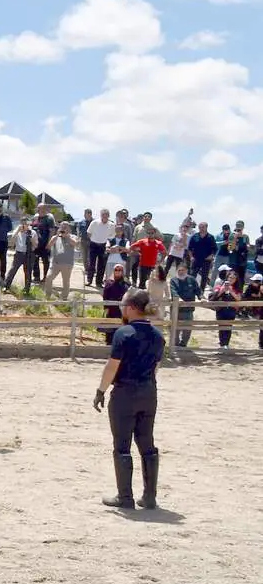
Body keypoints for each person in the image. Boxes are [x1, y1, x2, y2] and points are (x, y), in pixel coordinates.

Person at [93, 288, 164, 511]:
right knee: (147, 445)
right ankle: (149, 497)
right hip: (149, 392)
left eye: (124, 305)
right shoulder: (158, 336)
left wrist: (100, 391)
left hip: (125, 393)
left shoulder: (124, 333)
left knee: (122, 446)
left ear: (132, 308)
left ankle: (125, 497)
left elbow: (112, 366)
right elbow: (156, 367)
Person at [41, 221, 78, 298]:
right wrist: (56, 237)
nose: (63, 228)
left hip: (67, 264)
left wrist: (67, 236)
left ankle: (63, 299)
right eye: (62, 227)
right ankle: (48, 296)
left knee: (66, 282)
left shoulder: (73, 236)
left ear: (69, 229)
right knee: (48, 278)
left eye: (65, 227)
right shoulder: (55, 237)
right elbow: (48, 246)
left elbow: (75, 243)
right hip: (55, 263)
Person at [169, 260, 201, 347]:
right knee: (175, 328)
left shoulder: (192, 279)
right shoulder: (173, 280)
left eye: (182, 270)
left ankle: (183, 344)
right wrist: (178, 299)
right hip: (176, 309)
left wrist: (201, 298)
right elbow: (173, 291)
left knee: (187, 328)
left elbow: (198, 290)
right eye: (179, 270)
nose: (180, 272)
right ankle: (175, 344)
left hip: (188, 309)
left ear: (186, 270)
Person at [210, 267, 240, 349]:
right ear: (227, 277)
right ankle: (222, 344)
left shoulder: (237, 288)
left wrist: (231, 291)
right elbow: (213, 297)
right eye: (230, 277)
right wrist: (222, 290)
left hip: (231, 311)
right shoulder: (220, 286)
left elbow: (239, 298)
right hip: (221, 310)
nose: (231, 279)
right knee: (221, 327)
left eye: (234, 278)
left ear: (236, 279)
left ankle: (226, 344)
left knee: (229, 327)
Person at [85, 208, 114, 286]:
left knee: (101, 265)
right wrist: (93, 239)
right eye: (103, 215)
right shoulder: (94, 222)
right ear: (101, 215)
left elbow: (111, 236)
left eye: (106, 215)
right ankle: (89, 280)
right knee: (91, 263)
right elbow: (89, 233)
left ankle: (99, 282)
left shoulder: (111, 224)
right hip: (93, 244)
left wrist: (107, 243)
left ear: (108, 216)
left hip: (103, 245)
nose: (105, 217)